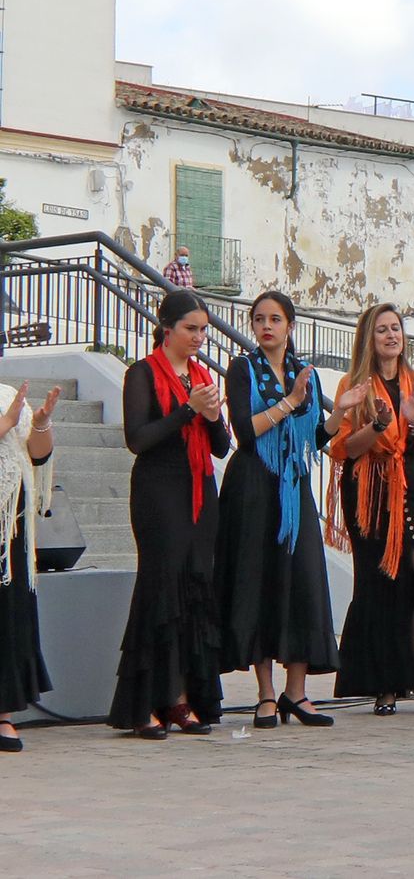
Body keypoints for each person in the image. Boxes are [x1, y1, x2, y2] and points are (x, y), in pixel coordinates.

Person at [214, 292, 363, 729]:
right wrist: (289, 404)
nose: (266, 326)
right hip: (253, 484)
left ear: (290, 325)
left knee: (302, 584)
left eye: (275, 319)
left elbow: (316, 436)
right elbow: (244, 431)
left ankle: (296, 694)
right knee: (258, 582)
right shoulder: (243, 368)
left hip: (293, 488)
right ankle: (264, 694)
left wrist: (342, 414)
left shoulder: (305, 373)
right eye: (259, 319)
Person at [326, 303, 414, 715]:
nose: (391, 335)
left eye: (396, 328)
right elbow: (344, 449)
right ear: (369, 338)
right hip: (371, 492)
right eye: (382, 329)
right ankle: (387, 685)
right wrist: (379, 426)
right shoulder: (354, 385)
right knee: (383, 587)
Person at [109, 289, 230, 738]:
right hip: (159, 492)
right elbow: (138, 438)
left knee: (195, 592)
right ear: (167, 329)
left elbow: (221, 447)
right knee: (160, 590)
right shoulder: (141, 373)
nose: (199, 337)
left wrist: (214, 416)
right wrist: (187, 410)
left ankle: (180, 700)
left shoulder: (200, 375)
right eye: (191, 329)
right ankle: (143, 704)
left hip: (200, 492)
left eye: (203, 330)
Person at [0, 379, 60, 752]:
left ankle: (3, 712)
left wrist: (40, 422)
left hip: (11, 526)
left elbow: (37, 456)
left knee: (8, 615)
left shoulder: (8, 394)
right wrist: (5, 423)